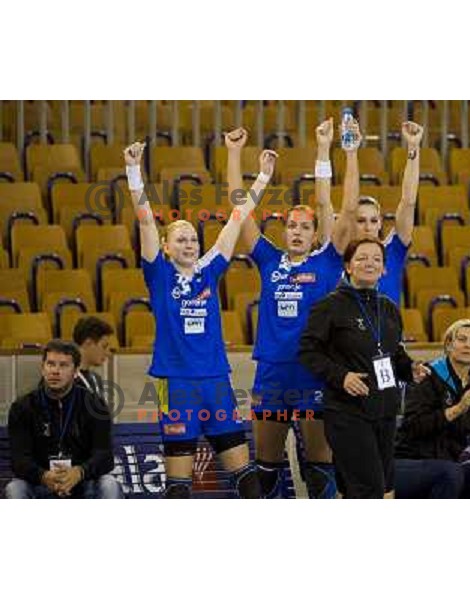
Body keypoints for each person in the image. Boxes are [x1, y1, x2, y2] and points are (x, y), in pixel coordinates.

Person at [124, 140, 277, 499]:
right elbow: (145, 219)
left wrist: (263, 179)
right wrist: (133, 170)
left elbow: (238, 218)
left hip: (216, 383)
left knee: (246, 477)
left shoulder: (209, 268)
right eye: (181, 239)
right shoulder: (158, 272)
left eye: (193, 239)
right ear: (165, 246)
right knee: (179, 486)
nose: (190, 244)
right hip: (175, 384)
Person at [225, 121, 343, 498]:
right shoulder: (268, 259)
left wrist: (326, 150)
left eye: (304, 227)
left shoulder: (326, 262)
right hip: (272, 376)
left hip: (313, 376)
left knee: (321, 466)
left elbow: (338, 206)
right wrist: (233, 155)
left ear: (314, 233)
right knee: (267, 466)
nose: (295, 231)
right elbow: (238, 212)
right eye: (290, 225)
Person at [299, 238, 427, 499]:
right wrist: (341, 376)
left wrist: (409, 369)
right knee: (370, 491)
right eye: (361, 258)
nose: (370, 263)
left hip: (386, 413)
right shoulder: (329, 306)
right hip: (348, 414)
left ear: (384, 269)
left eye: (376, 259)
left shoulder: (389, 308)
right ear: (348, 266)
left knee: (377, 490)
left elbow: (392, 353)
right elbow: (308, 352)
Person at [394, 319, 470, 499]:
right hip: (409, 461)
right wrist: (458, 409)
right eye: (461, 339)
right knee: (450, 473)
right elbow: (413, 427)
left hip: (447, 466)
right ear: (449, 345)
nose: (467, 345)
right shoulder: (427, 374)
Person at [5, 340, 122, 499]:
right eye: (51, 364)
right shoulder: (23, 407)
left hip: (82, 483)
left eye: (63, 365)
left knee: (109, 484)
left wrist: (79, 473)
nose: (55, 371)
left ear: (75, 372)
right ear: (43, 369)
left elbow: (104, 456)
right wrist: (44, 476)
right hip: (41, 484)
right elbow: (19, 460)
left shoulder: (94, 405)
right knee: (15, 488)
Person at [333, 117, 423, 306]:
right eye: (361, 220)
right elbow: (346, 207)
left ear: (381, 223)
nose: (368, 227)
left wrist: (413, 147)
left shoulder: (394, 249)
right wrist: (351, 153)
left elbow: (408, 201)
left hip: (387, 334)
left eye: (374, 221)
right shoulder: (338, 251)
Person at [72, 315, 114, 400]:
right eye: (104, 346)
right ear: (88, 343)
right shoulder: (63, 381)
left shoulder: (96, 380)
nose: (107, 353)